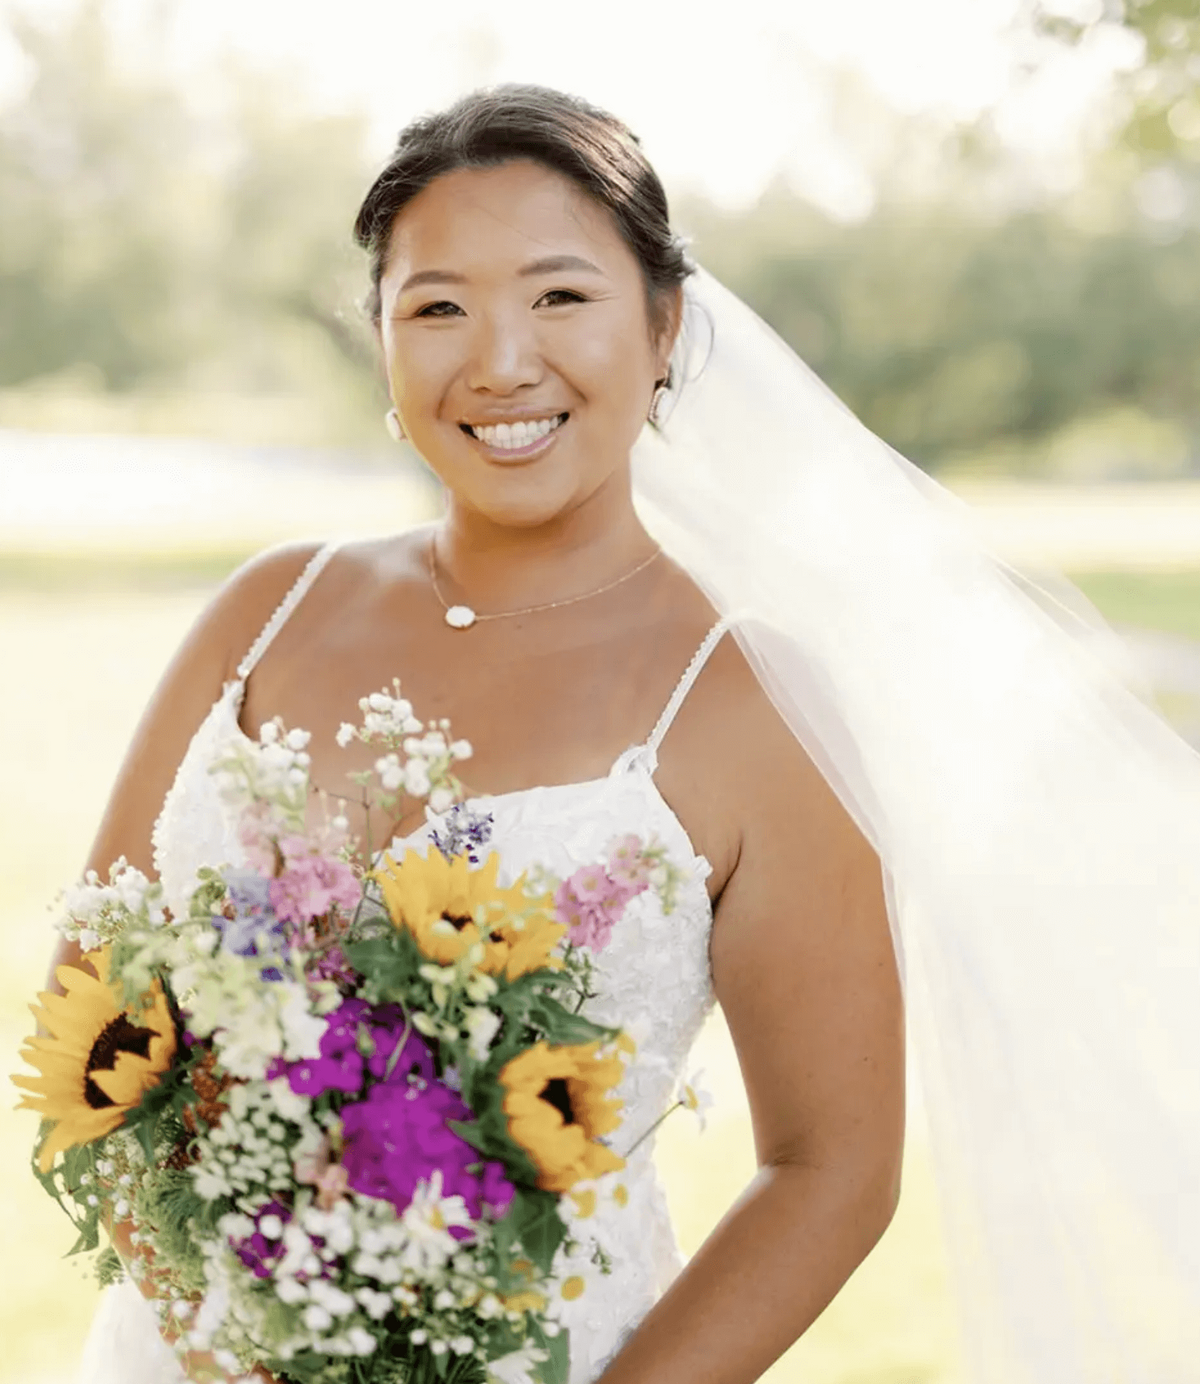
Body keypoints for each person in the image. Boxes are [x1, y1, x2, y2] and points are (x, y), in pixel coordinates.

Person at [54, 82, 1200, 1384]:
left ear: (663, 328)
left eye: (559, 296)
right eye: (437, 306)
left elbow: (831, 1168)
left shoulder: (754, 699)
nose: (499, 361)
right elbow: (91, 1009)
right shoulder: (265, 615)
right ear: (379, 338)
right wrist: (220, 1341)